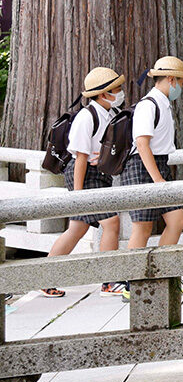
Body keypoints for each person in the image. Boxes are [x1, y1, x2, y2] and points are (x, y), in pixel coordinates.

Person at [114, 57, 183, 294]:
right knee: (142, 226)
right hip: (142, 166)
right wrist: (158, 179)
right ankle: (132, 282)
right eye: (180, 81)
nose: (181, 86)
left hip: (156, 165)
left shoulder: (162, 103)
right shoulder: (148, 105)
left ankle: (158, 272)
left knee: (177, 220)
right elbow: (141, 143)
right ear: (171, 79)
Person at [43, 67, 126, 294]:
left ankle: (42, 277)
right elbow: (80, 156)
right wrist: (78, 196)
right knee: (111, 222)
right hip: (83, 175)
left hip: (97, 174)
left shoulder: (110, 112)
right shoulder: (86, 116)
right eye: (116, 89)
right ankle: (109, 281)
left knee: (77, 229)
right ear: (102, 94)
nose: (120, 92)